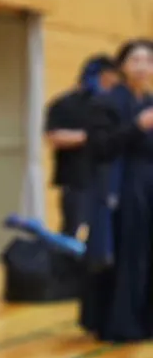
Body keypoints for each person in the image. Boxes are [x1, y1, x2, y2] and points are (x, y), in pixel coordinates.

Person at [86, 38, 153, 342]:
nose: (142, 66)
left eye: (148, 61)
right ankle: (120, 323)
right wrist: (137, 126)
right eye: (135, 60)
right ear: (123, 66)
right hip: (123, 186)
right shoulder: (107, 102)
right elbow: (100, 147)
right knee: (128, 253)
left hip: (149, 184)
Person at [44, 54, 121, 237]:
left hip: (109, 177)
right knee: (73, 229)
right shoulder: (65, 103)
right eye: (107, 79)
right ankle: (67, 264)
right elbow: (53, 136)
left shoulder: (114, 104)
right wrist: (87, 137)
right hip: (77, 178)